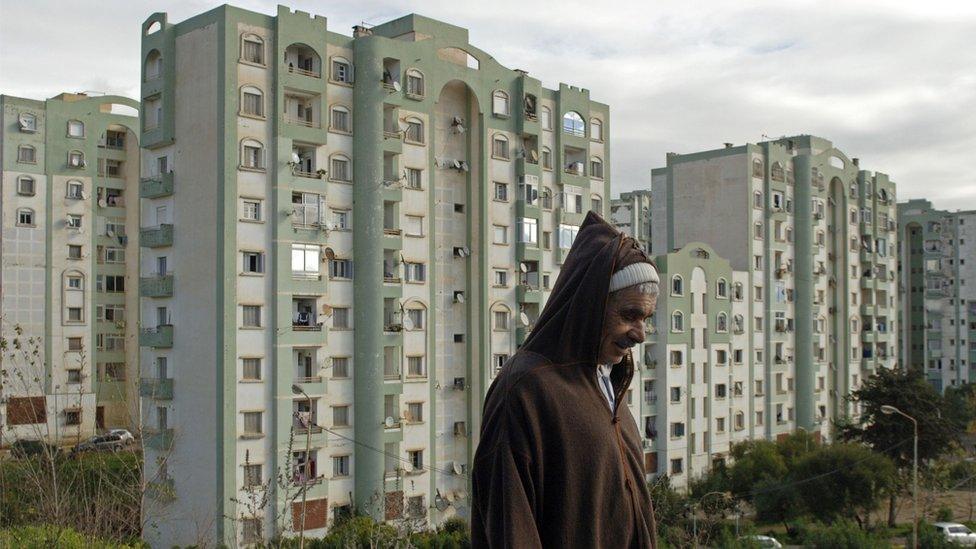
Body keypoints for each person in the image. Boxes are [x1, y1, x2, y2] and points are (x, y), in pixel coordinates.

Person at [472, 211, 659, 548]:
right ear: (590, 304)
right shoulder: (526, 388)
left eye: (646, 318)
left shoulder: (607, 382)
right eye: (629, 315)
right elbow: (511, 526)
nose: (640, 334)